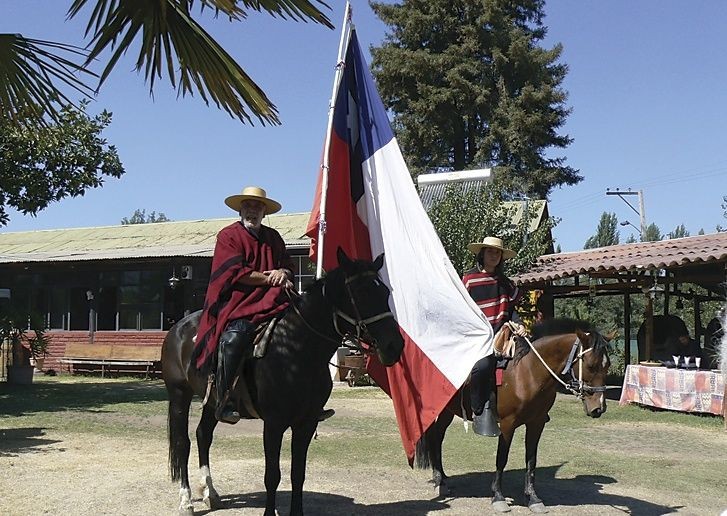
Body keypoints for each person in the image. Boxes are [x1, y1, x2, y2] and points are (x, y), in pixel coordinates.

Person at [192, 186, 295, 424]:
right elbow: (234, 273)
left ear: (264, 212)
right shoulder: (228, 236)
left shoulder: (274, 237)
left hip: (276, 298)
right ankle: (224, 399)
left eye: (257, 206)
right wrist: (270, 278)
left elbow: (288, 265)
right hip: (239, 302)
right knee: (234, 338)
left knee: (308, 326)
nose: (252, 210)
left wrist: (282, 271)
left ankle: (309, 398)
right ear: (240, 209)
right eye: (248, 206)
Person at [463, 236, 527, 437]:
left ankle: (533, 407)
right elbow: (462, 309)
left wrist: (520, 324)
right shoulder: (468, 280)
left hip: (504, 333)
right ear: (482, 254)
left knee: (528, 358)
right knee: (483, 366)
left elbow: (513, 308)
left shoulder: (505, 282)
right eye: (490, 252)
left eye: (497, 252)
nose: (494, 255)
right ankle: (479, 408)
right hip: (477, 335)